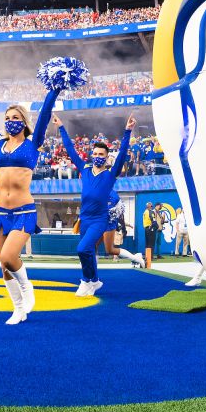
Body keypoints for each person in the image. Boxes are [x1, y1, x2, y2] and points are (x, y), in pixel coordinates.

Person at [0, 75, 64, 324]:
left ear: (24, 122)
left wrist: (55, 88)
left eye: (15, 118)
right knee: (5, 269)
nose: (10, 122)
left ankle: (27, 288)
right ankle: (18, 309)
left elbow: (46, 112)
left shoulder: (33, 143)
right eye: (7, 118)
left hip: (23, 210)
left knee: (7, 257)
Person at [51, 114, 135, 296]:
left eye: (101, 155)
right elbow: (70, 150)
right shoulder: (85, 169)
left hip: (99, 219)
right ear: (91, 155)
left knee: (82, 249)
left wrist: (127, 131)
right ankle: (92, 282)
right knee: (88, 251)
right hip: (85, 218)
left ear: (106, 157)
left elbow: (122, 154)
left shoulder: (111, 174)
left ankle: (87, 280)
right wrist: (62, 127)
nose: (97, 156)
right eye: (95, 154)